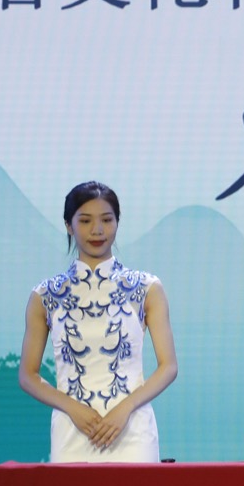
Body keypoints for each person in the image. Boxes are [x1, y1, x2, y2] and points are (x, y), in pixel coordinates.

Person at [18, 182, 178, 463]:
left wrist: (124, 410)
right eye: (85, 221)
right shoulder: (45, 295)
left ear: (117, 222)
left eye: (106, 220)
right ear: (68, 226)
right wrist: (72, 409)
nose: (98, 230)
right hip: (72, 431)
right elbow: (27, 375)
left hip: (132, 430)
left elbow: (169, 367)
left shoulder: (146, 288)